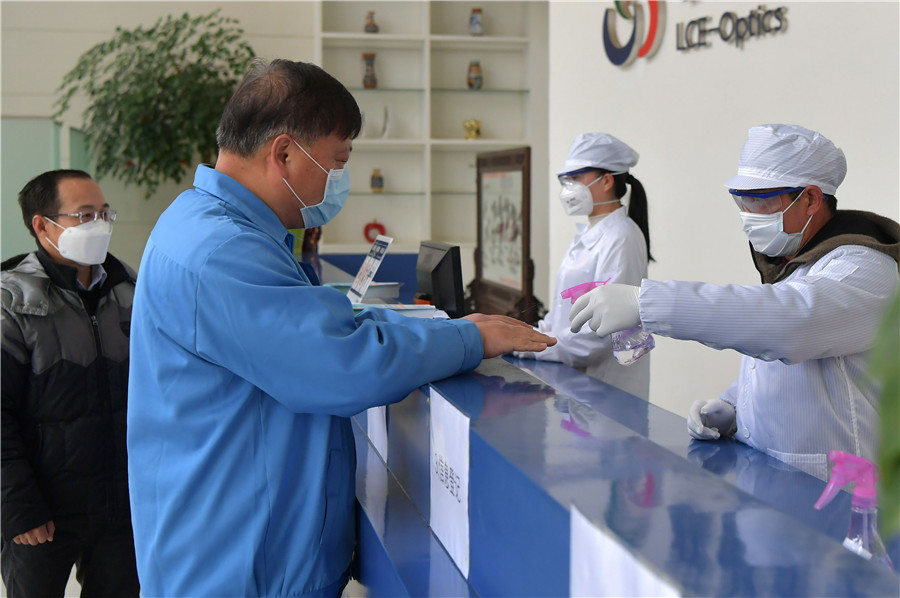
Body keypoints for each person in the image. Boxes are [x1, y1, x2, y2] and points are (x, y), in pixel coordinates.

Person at [126, 58, 555, 598]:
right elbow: (341, 364)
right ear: (283, 153)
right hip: (239, 566)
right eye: (337, 161)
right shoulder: (225, 251)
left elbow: (309, 324)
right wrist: (470, 338)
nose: (339, 180)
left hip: (237, 549)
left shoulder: (207, 225)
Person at [569, 124, 899, 481]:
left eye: (761, 200)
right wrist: (734, 404)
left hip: (836, 492)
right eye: (742, 200)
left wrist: (646, 302)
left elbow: (791, 324)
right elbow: (783, 357)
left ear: (811, 199)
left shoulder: (864, 268)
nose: (748, 214)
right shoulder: (794, 260)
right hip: (772, 479)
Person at [1, 170, 139, 597]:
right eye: (84, 215)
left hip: (121, 510)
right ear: (42, 225)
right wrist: (19, 508)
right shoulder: (12, 301)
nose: (100, 224)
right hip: (44, 513)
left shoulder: (128, 288)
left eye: (104, 213)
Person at [514, 133, 653, 399]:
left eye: (576, 178)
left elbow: (599, 334)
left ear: (607, 180)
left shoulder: (622, 237)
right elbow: (563, 315)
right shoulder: (590, 233)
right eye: (565, 180)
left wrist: (533, 347)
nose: (568, 188)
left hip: (608, 392)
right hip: (576, 385)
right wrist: (527, 334)